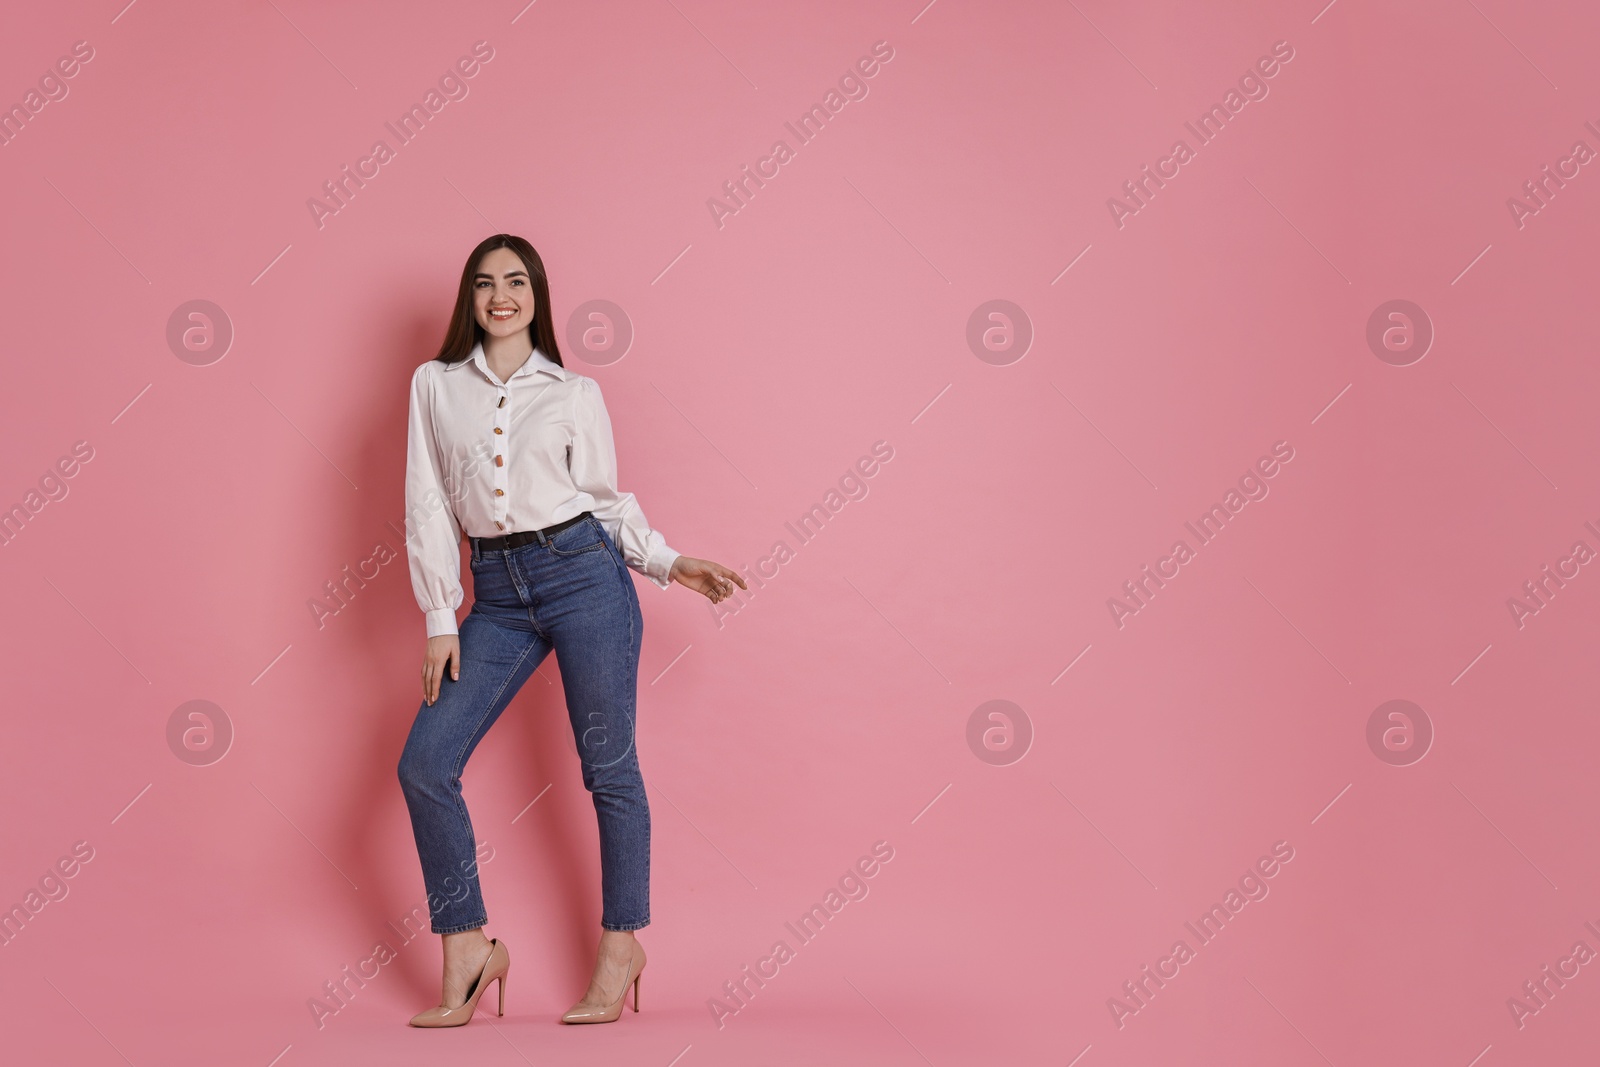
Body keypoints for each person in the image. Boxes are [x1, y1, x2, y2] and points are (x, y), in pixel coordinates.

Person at [396, 234, 745, 1027]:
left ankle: (622, 945)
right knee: (425, 762)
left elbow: (604, 499)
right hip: (496, 595)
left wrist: (666, 561)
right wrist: (438, 614)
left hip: (585, 577)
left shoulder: (573, 392)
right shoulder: (434, 385)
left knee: (608, 767)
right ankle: (468, 946)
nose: (500, 297)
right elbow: (426, 499)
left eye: (515, 282)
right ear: (470, 299)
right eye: (485, 284)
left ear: (537, 295)